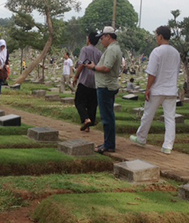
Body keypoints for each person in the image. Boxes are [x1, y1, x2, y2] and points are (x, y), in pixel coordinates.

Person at [130, 26, 181, 154]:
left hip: (157, 89)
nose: (156, 38)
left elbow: (152, 73)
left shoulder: (157, 51)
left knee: (148, 115)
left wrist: (148, 88)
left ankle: (141, 138)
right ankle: (168, 146)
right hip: (171, 90)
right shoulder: (176, 52)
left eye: (156, 36)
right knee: (170, 118)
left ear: (160, 36)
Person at [85, 26, 122, 154]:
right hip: (106, 85)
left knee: (107, 117)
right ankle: (108, 142)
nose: (101, 40)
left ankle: (109, 145)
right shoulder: (112, 49)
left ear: (108, 36)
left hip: (106, 86)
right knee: (108, 115)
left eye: (102, 38)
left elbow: (106, 68)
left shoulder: (112, 50)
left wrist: (93, 67)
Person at [73, 32, 102, 132]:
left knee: (79, 101)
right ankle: (89, 124)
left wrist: (75, 77)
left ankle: (86, 119)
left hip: (85, 80)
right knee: (91, 104)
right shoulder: (99, 53)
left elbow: (82, 64)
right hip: (95, 81)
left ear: (89, 39)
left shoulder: (85, 49)